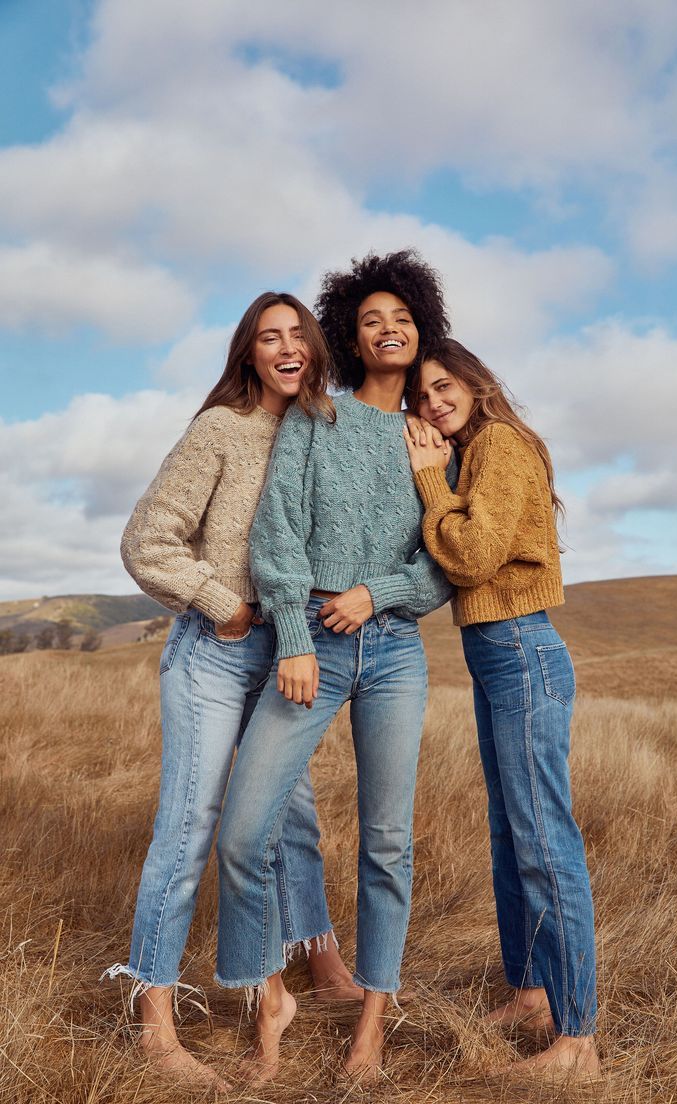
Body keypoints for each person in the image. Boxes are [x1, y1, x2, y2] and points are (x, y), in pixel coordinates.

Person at [102, 292, 359, 1093]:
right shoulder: (221, 430)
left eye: (297, 335)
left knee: (297, 815)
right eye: (267, 337)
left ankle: (318, 965)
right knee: (189, 830)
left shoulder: (332, 433)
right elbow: (146, 541)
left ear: (315, 348)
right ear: (248, 354)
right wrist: (225, 605)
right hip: (217, 655)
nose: (285, 347)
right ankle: (154, 1015)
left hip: (293, 654)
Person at [215, 250, 454, 1084]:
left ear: (423, 329)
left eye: (403, 318)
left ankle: (371, 1031)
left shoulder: (435, 441)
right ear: (351, 337)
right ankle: (270, 1005)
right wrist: (295, 634)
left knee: (388, 842)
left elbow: (441, 564)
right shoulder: (317, 419)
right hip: (313, 640)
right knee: (246, 832)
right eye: (370, 320)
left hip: (393, 651)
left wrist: (375, 589)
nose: (389, 330)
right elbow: (275, 533)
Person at [403, 338, 600, 1080]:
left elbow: (474, 555)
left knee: (545, 840)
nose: (434, 402)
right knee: (512, 831)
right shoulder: (476, 451)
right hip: (496, 651)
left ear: (474, 383)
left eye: (444, 385)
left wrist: (429, 481)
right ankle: (532, 992)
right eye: (422, 397)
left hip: (520, 648)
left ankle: (576, 1043)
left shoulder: (499, 442)